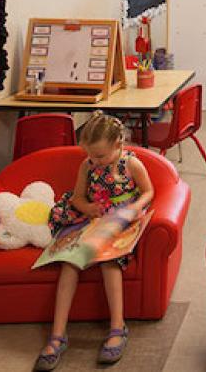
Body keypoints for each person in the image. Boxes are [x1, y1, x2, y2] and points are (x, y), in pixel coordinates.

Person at [34, 112, 154, 371]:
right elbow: (77, 198)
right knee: (69, 264)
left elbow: (149, 191)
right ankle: (57, 335)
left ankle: (117, 327)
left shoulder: (132, 164)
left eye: (100, 156)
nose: (95, 161)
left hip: (120, 223)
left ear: (119, 145)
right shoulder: (87, 166)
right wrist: (87, 207)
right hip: (91, 221)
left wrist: (136, 208)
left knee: (108, 263)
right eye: (91, 155)